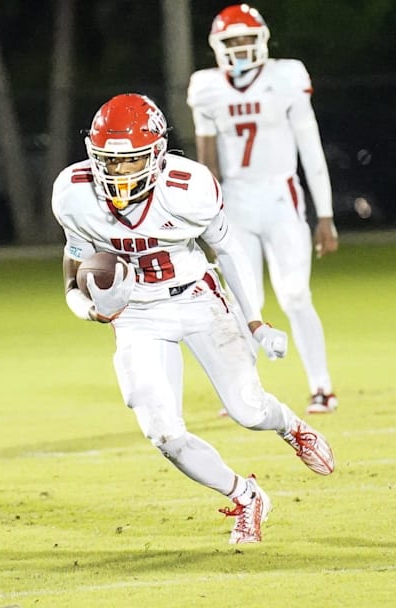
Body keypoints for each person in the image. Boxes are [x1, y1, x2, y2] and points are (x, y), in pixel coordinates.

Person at [51, 93, 335, 544]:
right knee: (162, 433)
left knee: (249, 410)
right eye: (108, 161)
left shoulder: (189, 187)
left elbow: (227, 248)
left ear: (159, 153)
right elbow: (73, 269)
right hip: (137, 314)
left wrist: (256, 321)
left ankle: (291, 426)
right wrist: (89, 308)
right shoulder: (74, 193)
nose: (117, 174)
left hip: (197, 299)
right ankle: (247, 496)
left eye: (130, 162)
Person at [187, 4, 339, 414]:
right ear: (218, 46)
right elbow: (207, 160)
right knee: (241, 300)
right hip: (235, 200)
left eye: (245, 40)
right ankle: (244, 391)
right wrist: (203, 218)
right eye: (230, 41)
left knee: (294, 295)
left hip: (280, 196)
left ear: (261, 42)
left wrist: (324, 215)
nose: (238, 48)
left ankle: (322, 386)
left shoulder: (285, 76)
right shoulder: (206, 87)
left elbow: (310, 148)